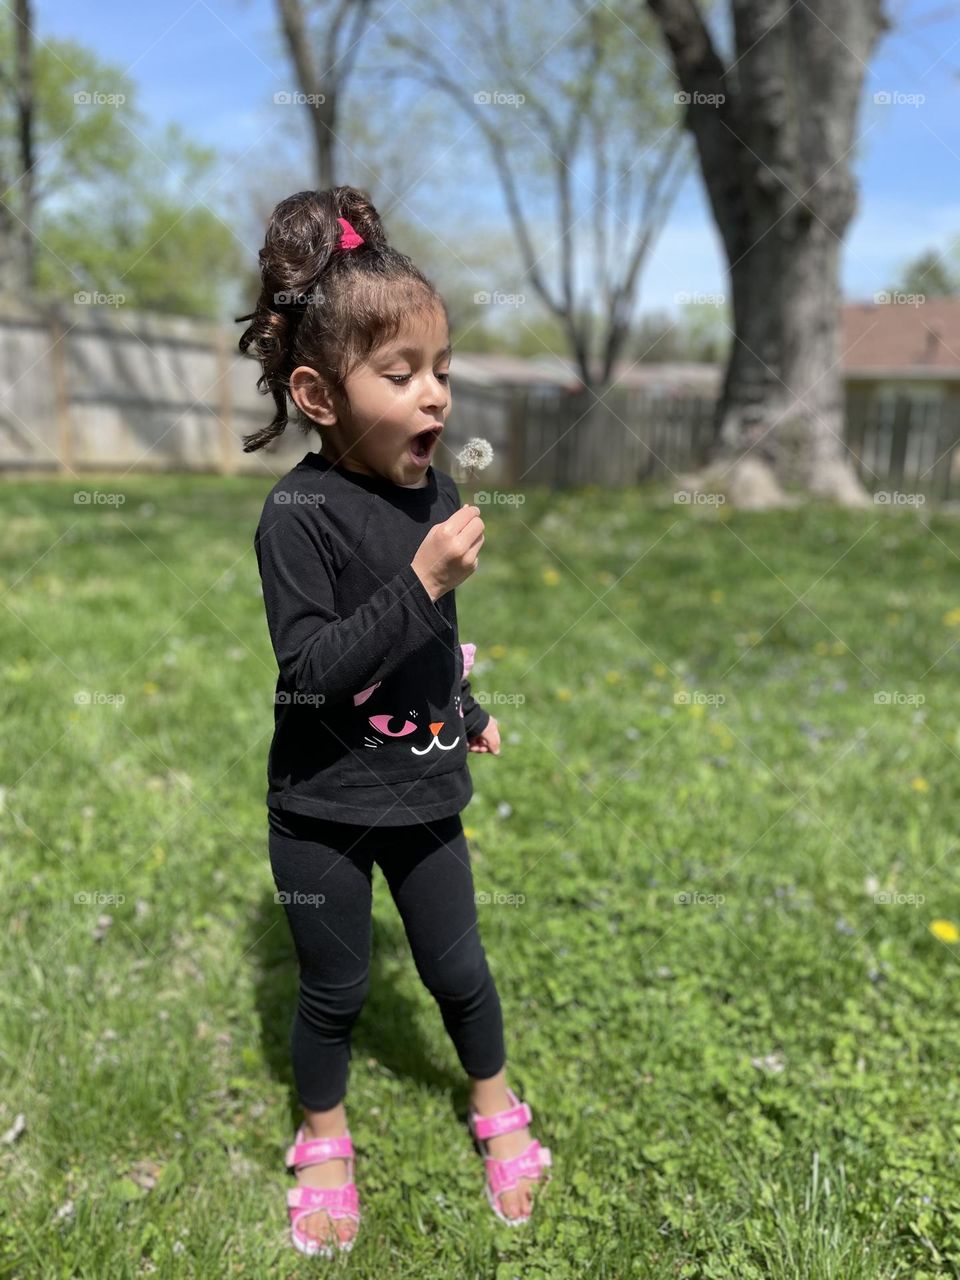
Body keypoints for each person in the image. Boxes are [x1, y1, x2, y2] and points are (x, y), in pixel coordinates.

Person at [237, 186, 552, 1257]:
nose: (436, 397)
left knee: (459, 968)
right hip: (320, 808)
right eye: (403, 373)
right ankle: (323, 1131)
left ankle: (495, 1100)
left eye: (444, 370)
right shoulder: (298, 517)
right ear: (321, 393)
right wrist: (418, 580)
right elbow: (311, 673)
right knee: (337, 984)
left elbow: (430, 635)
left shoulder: (431, 499)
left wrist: (465, 708)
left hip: (421, 796)